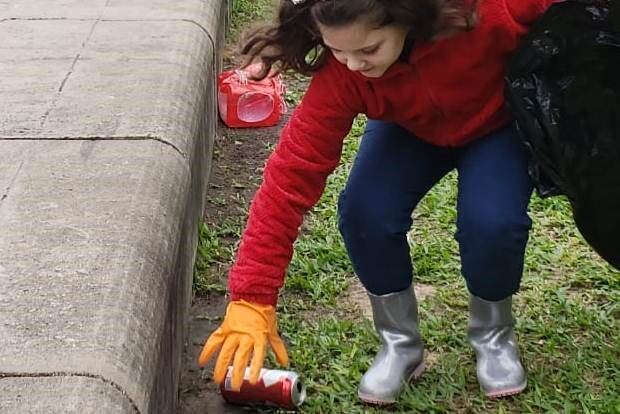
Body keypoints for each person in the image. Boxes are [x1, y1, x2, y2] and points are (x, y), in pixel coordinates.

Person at [199, 0, 555, 405]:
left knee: (493, 223)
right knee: (365, 212)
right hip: (409, 130)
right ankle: (400, 343)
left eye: (368, 50)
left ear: (407, 17)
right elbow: (289, 178)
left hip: (496, 127)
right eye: (337, 50)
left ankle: (493, 336)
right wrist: (252, 296)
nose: (353, 65)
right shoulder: (344, 77)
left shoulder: (487, 11)